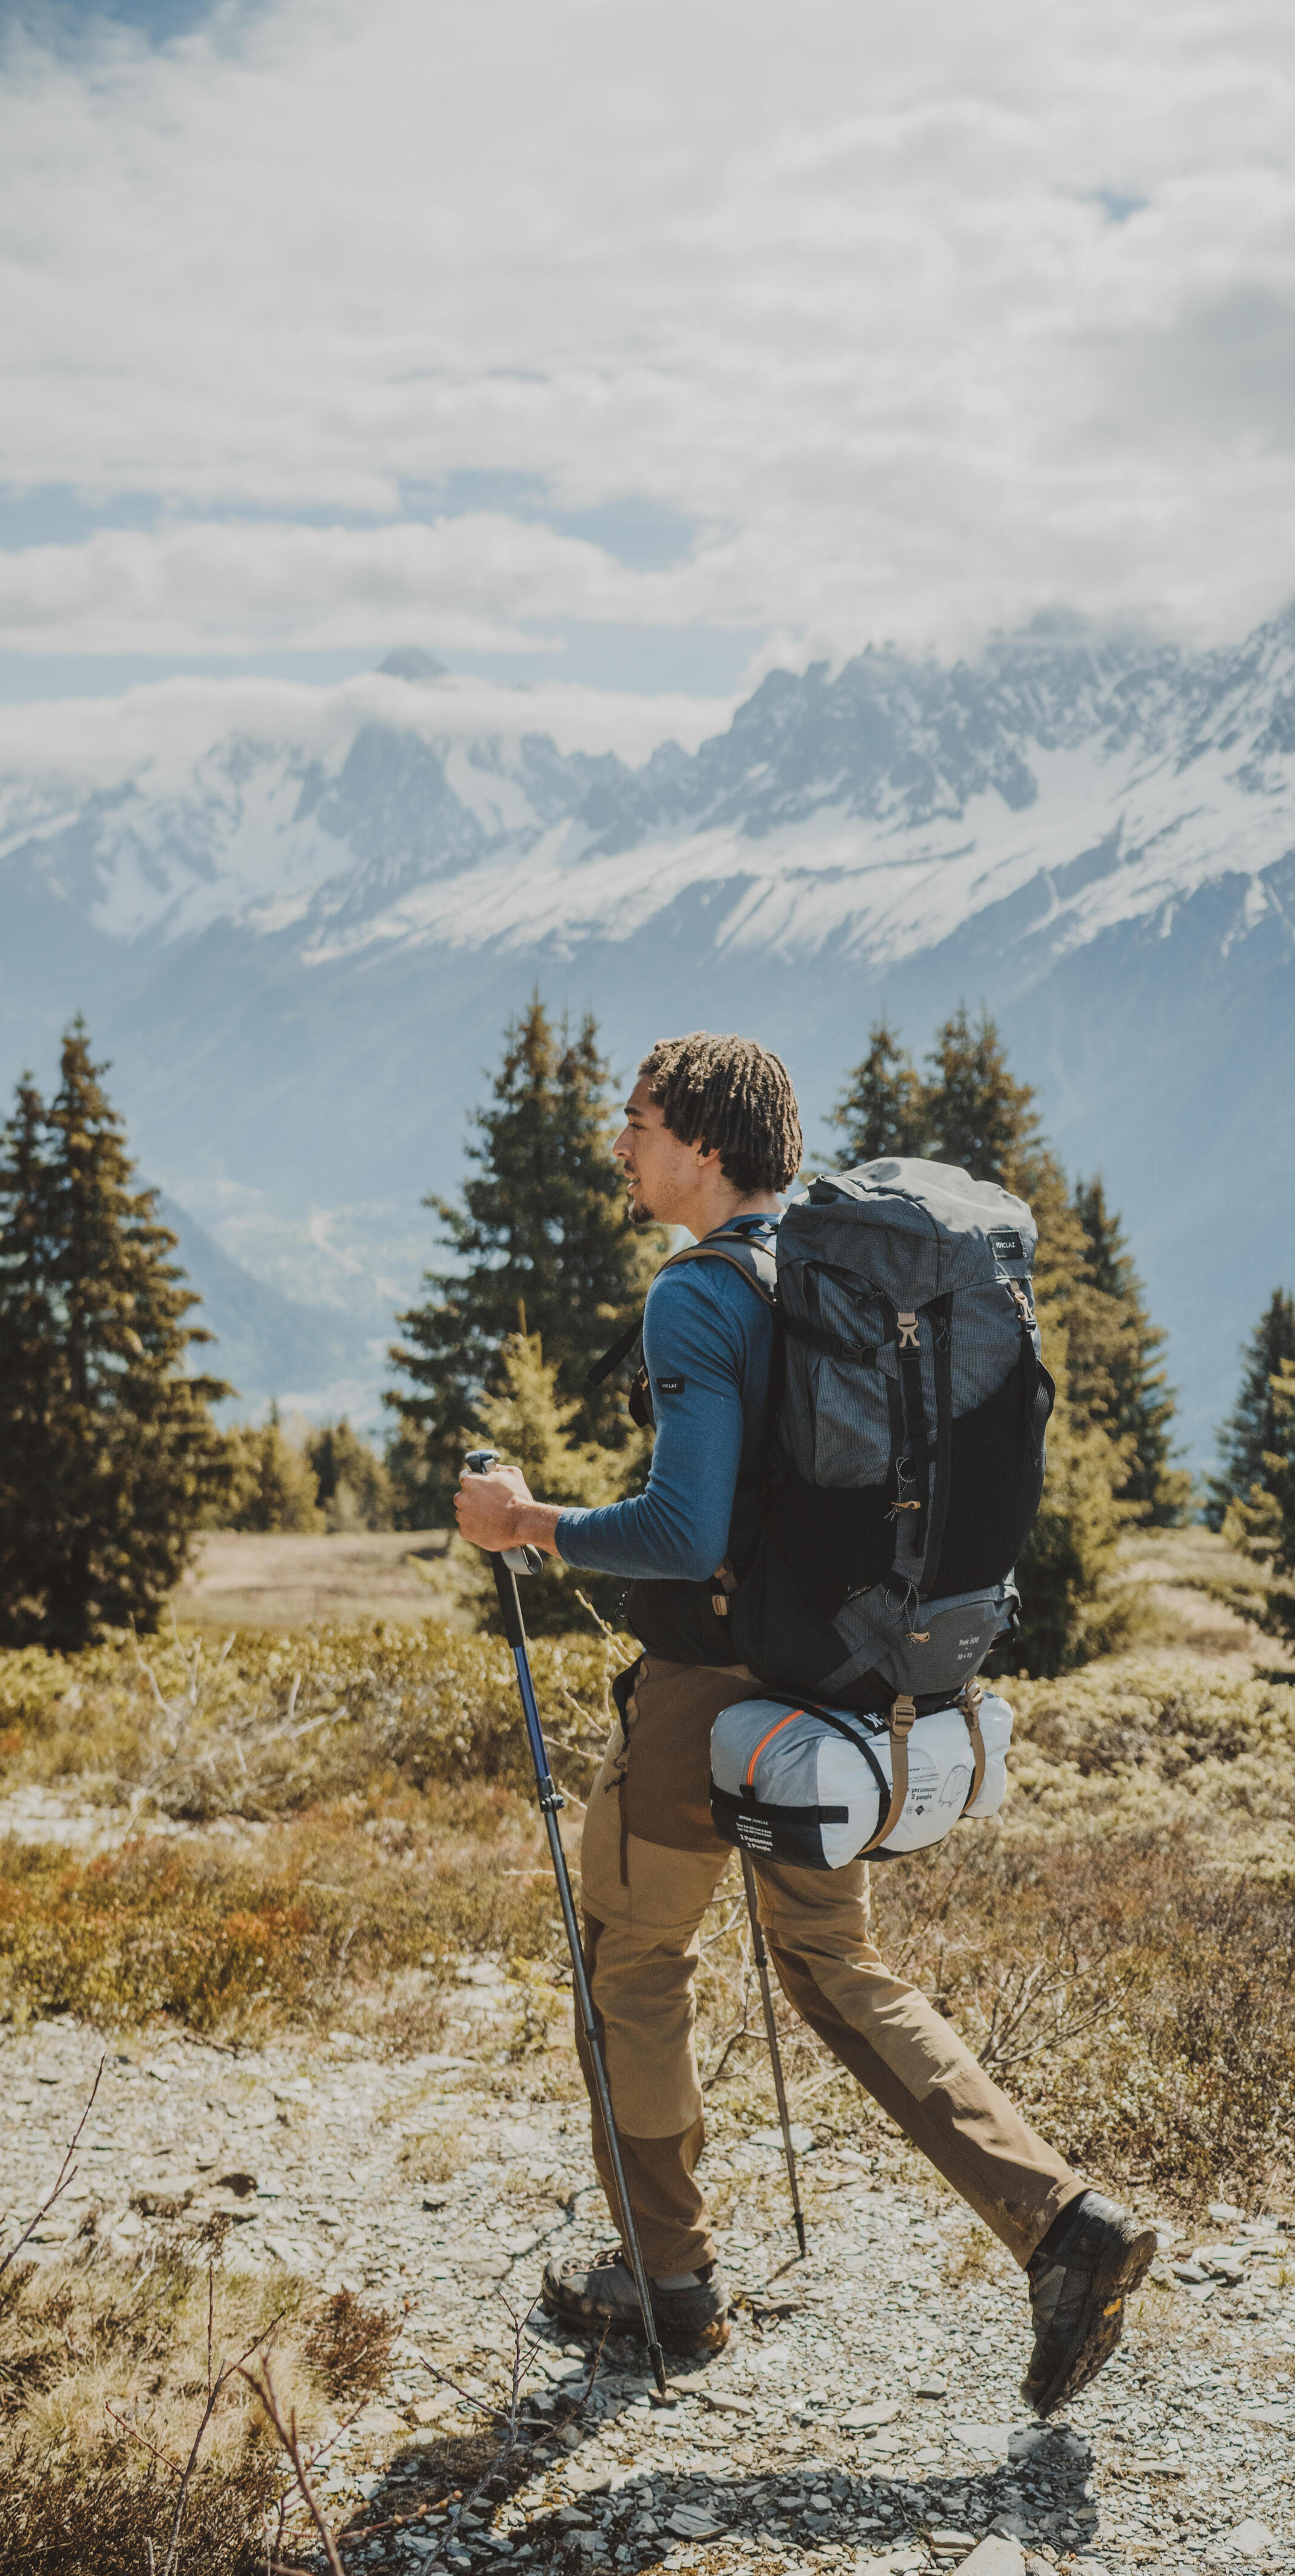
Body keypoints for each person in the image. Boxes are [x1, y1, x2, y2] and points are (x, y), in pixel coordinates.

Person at [455, 1031, 1155, 2416]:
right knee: (836, 1964)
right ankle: (1062, 2226)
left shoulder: (699, 1297)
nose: (622, 1142)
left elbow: (680, 1528)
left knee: (633, 1958)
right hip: (826, 1683)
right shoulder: (838, 1279)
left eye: (641, 1121)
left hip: (708, 1698)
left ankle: (668, 2281)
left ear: (707, 1146)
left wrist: (524, 1523)